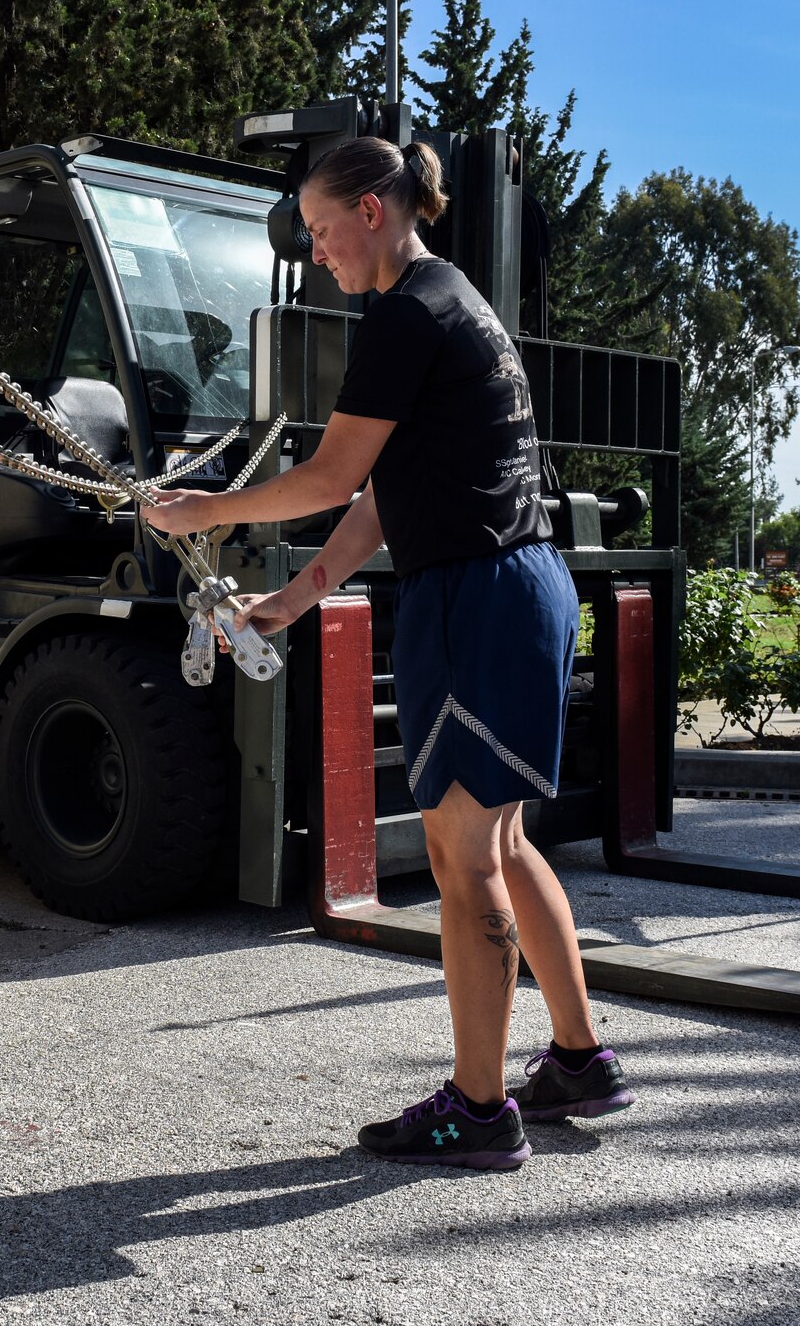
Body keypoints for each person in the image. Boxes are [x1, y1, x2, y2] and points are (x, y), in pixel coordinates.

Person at [141, 136, 635, 1171]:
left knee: (461, 860)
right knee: (496, 843)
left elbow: (327, 475)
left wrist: (206, 511)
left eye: (321, 231)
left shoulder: (407, 312)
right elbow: (378, 495)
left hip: (474, 597)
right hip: (517, 585)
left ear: (371, 210)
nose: (316, 252)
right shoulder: (448, 300)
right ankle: (579, 1061)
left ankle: (477, 1108)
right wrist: (299, 592)